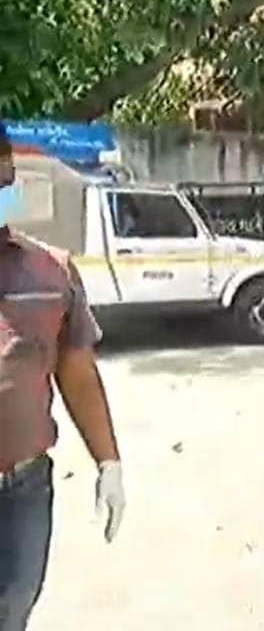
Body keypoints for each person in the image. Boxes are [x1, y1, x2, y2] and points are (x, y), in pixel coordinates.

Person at [0, 122, 125, 631]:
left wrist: (108, 463)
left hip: (23, 492)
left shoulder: (51, 273)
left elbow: (76, 372)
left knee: (13, 610)